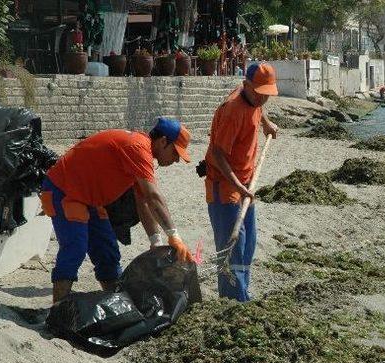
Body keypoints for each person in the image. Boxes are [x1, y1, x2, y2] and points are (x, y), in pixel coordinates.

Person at [40, 118, 195, 303]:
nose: (176, 159)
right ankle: (58, 306)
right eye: (175, 153)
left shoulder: (140, 151)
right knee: (75, 247)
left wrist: (156, 241)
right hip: (64, 189)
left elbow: (143, 201)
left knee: (107, 250)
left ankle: (116, 302)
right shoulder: (137, 147)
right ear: (163, 142)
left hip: (90, 197)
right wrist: (174, 235)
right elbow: (154, 197)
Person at [204, 62, 279, 302]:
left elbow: (257, 108)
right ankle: (233, 300)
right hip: (225, 186)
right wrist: (238, 186)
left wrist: (265, 123)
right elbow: (217, 153)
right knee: (233, 248)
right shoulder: (232, 111)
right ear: (246, 85)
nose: (263, 99)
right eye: (260, 93)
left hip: (246, 182)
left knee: (248, 244)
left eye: (267, 94)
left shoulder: (254, 99)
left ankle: (242, 293)